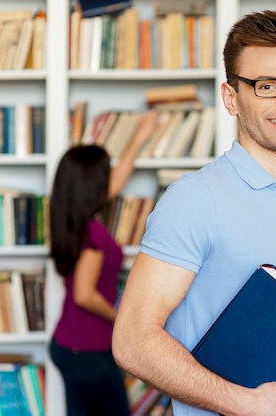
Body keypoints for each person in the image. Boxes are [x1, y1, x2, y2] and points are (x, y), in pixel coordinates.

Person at [111, 10, 276, 416]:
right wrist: (246, 403)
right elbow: (131, 339)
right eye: (267, 86)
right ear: (231, 98)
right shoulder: (193, 199)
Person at [49, 111, 159, 415]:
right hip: (90, 351)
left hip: (68, 344)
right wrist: (121, 316)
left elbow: (113, 185)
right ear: (92, 187)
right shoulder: (94, 235)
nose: (110, 180)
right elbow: (84, 294)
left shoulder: (73, 221)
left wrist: (139, 136)